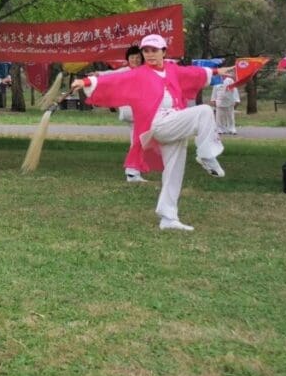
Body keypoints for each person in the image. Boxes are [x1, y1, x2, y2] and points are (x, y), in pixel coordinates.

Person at [70, 34, 233, 232]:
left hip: (175, 120)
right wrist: (86, 82)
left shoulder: (172, 70)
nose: (149, 54)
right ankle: (207, 155)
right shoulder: (139, 73)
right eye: (146, 51)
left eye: (154, 50)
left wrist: (218, 71)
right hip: (158, 124)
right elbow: (114, 79)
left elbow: (193, 73)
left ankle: (168, 217)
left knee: (174, 171)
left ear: (164, 52)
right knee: (205, 111)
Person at [98, 45, 153, 183]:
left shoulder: (145, 71)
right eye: (132, 57)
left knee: (139, 141)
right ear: (128, 59)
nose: (135, 60)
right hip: (132, 112)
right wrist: (97, 74)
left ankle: (133, 172)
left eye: (137, 57)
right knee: (139, 141)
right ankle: (133, 172)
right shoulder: (126, 71)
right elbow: (108, 75)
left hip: (139, 112)